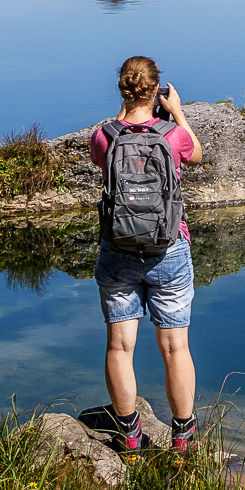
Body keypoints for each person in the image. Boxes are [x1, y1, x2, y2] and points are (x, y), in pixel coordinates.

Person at [90, 55, 204, 452]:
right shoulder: (172, 136)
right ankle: (183, 438)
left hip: (117, 248)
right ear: (156, 89)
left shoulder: (104, 135)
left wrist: (123, 112)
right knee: (175, 346)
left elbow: (101, 158)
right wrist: (177, 113)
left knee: (120, 345)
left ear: (122, 88)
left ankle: (130, 435)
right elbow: (196, 155)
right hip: (168, 249)